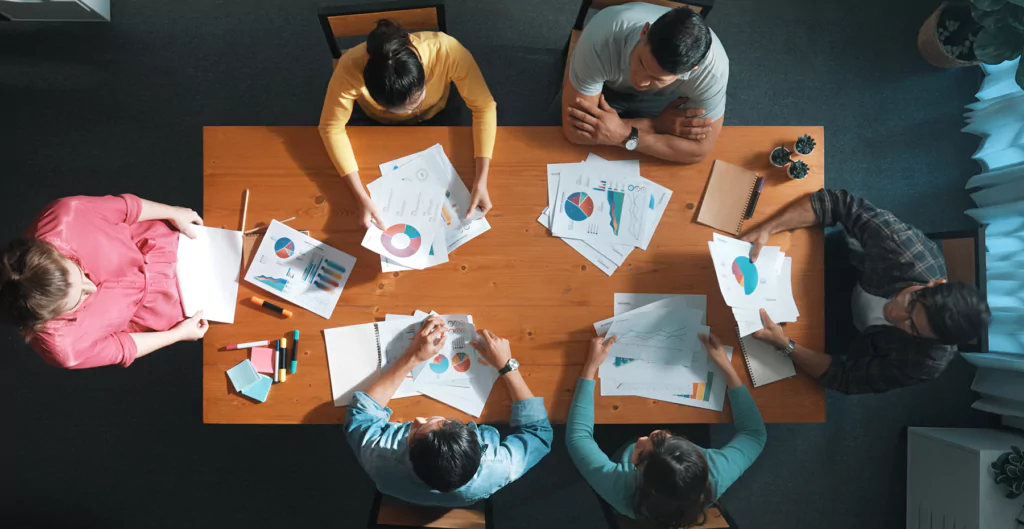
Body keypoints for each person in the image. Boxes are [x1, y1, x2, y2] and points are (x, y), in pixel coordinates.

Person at [742, 188, 991, 394]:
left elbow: (846, 378)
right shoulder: (905, 251)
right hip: (840, 267)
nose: (895, 315)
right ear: (935, 284)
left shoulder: (926, 362)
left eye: (912, 328)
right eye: (910, 305)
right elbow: (836, 202)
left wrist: (786, 345)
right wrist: (769, 228)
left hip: (844, 333)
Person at [344, 317, 553, 506]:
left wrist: (413, 357)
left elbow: (362, 414)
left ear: (409, 455)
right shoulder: (495, 467)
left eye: (416, 431)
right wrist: (508, 368)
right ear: (478, 445)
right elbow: (539, 434)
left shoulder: (381, 461)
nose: (417, 419)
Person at [566, 332, 766, 528]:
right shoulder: (714, 473)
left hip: (619, 446)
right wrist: (727, 368)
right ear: (697, 456)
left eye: (641, 452)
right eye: (667, 438)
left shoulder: (623, 492)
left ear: (640, 472)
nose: (643, 438)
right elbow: (754, 434)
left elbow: (578, 438)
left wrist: (590, 367)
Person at [319, 19, 498, 229]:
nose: (408, 113)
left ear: (423, 71)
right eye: (399, 109)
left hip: (438, 111)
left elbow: (484, 106)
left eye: (415, 102)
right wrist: (361, 197)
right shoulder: (349, 67)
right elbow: (330, 128)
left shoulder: (446, 50)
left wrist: (481, 178)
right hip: (378, 123)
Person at [0, 194, 210, 369]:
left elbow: (128, 208)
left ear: (53, 254)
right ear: (44, 319)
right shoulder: (64, 347)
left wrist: (173, 212)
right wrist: (179, 334)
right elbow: (124, 346)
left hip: (176, 244)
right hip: (174, 311)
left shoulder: (66, 215)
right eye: (80, 299)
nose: (92, 287)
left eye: (80, 274)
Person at [561, 4, 728, 164]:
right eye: (641, 62)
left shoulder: (712, 72)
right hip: (606, 87)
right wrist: (654, 125)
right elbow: (575, 132)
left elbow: (699, 151)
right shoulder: (602, 38)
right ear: (644, 32)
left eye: (658, 78)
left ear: (689, 71)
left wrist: (623, 134)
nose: (640, 81)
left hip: (661, 101)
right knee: (556, 138)